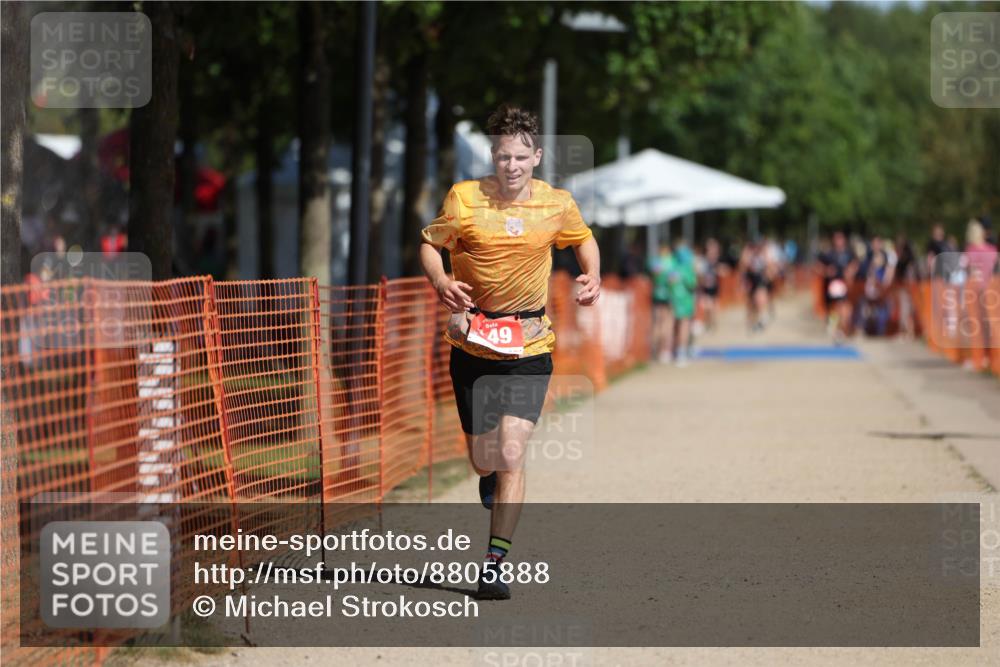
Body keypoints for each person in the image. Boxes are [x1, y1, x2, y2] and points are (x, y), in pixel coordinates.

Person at [419, 104, 600, 600]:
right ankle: (490, 476)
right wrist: (440, 280)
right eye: (503, 157)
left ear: (536, 156)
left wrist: (593, 274)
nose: (512, 166)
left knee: (513, 453)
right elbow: (431, 245)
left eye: (521, 157)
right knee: (485, 460)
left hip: (530, 343)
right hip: (472, 341)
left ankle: (494, 564)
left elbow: (584, 240)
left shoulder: (556, 204)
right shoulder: (464, 199)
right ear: (493, 156)